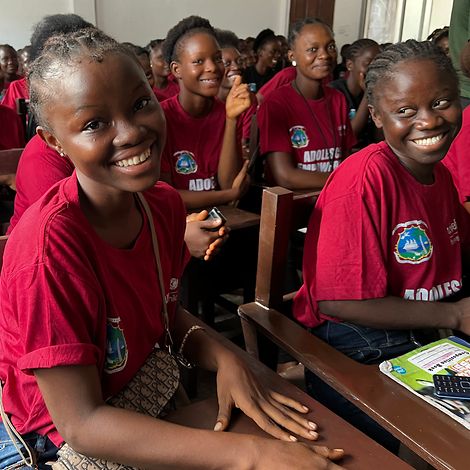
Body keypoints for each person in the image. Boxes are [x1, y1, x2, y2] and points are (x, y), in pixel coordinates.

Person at [0, 27, 345, 470]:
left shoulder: (161, 203)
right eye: (93, 124)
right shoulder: (49, 248)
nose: (130, 133)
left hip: (136, 393)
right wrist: (252, 454)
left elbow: (159, 305)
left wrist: (225, 355)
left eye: (140, 104)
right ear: (54, 143)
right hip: (54, 442)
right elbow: (81, 425)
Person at [293, 39, 470, 452]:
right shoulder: (364, 181)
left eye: (442, 102)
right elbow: (338, 302)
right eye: (405, 111)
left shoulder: (438, 175)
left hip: (427, 327)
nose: (428, 121)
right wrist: (456, 314)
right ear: (376, 116)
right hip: (358, 341)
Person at [160, 16, 250, 209]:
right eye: (198, 61)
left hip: (224, 221)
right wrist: (227, 195)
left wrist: (231, 120)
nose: (212, 68)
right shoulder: (161, 117)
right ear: (177, 69)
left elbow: (228, 182)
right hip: (179, 224)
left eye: (217, 59)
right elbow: (166, 194)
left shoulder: (228, 111)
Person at [257, 18, 355, 190]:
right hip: (296, 206)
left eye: (330, 46)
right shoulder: (277, 103)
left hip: (336, 198)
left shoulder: (338, 99)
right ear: (292, 56)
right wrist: (347, 180)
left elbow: (346, 160)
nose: (324, 55)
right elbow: (285, 176)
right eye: (313, 49)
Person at [329, 38, 381, 149]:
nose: (374, 70)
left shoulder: (378, 91)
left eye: (378, 64)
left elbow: (379, 138)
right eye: (368, 64)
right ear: (349, 65)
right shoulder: (334, 92)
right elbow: (350, 135)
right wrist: (369, 93)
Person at [215, 28, 256, 159]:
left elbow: (244, 147)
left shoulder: (248, 99)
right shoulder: (206, 103)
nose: (235, 67)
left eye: (238, 61)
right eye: (227, 63)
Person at [242, 28, 280, 93]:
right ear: (260, 52)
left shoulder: (275, 77)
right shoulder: (246, 75)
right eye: (273, 52)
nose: (278, 55)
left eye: (279, 52)